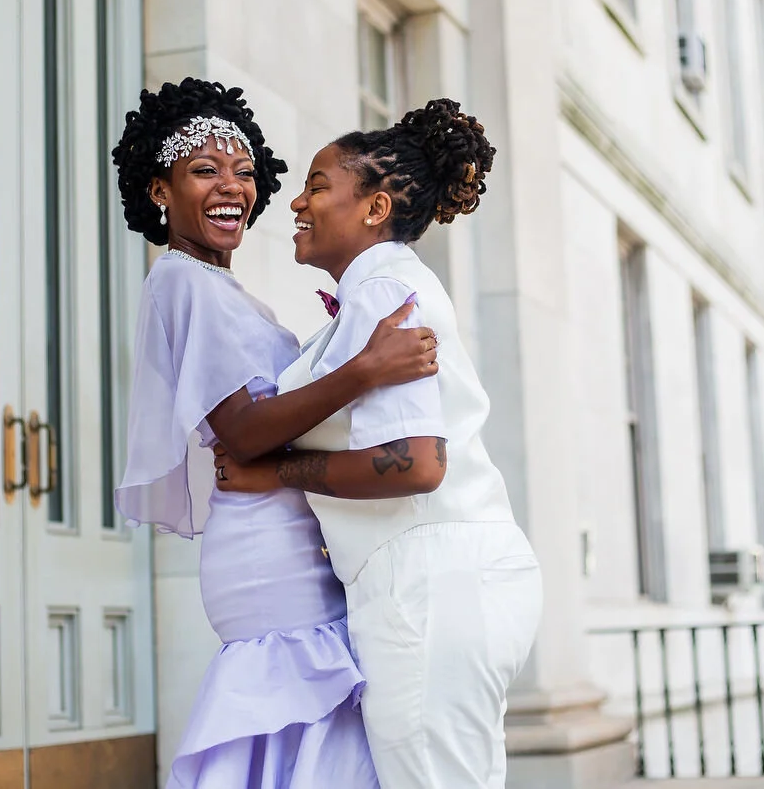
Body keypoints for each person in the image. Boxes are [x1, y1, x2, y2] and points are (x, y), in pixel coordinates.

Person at [111, 78, 440, 788]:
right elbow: (243, 431)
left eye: (243, 170)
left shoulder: (223, 290)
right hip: (266, 551)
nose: (231, 186)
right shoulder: (181, 280)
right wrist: (366, 368)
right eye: (204, 170)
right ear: (160, 190)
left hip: (285, 534)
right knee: (308, 738)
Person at [215, 99, 543, 788]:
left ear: (375, 208)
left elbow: (417, 464)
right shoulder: (379, 291)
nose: (296, 202)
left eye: (317, 186)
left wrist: (280, 471)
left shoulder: (384, 290)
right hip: (438, 579)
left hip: (428, 584)